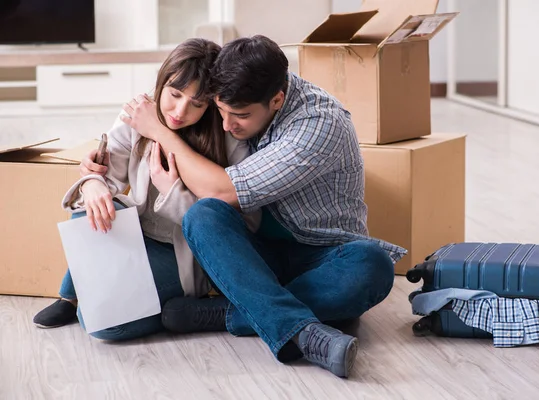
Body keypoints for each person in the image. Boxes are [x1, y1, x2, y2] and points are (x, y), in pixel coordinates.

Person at [87, 35, 406, 378]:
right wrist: (91, 174)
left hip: (321, 253)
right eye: (220, 111)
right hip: (252, 255)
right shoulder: (245, 86)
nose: (226, 126)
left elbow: (225, 190)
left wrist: (161, 133)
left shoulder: (318, 124)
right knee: (203, 215)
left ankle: (228, 313)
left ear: (277, 99)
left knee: (373, 266)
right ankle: (305, 327)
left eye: (238, 116)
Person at [32, 38, 261, 340]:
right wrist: (91, 184)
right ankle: (70, 297)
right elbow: (105, 175)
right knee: (92, 210)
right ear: (161, 82)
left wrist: (173, 194)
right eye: (175, 94)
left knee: (103, 325)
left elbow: (244, 226)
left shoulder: (227, 136)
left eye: (197, 103)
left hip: (181, 254)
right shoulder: (139, 113)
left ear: (211, 104)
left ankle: (178, 314)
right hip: (133, 236)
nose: (180, 111)